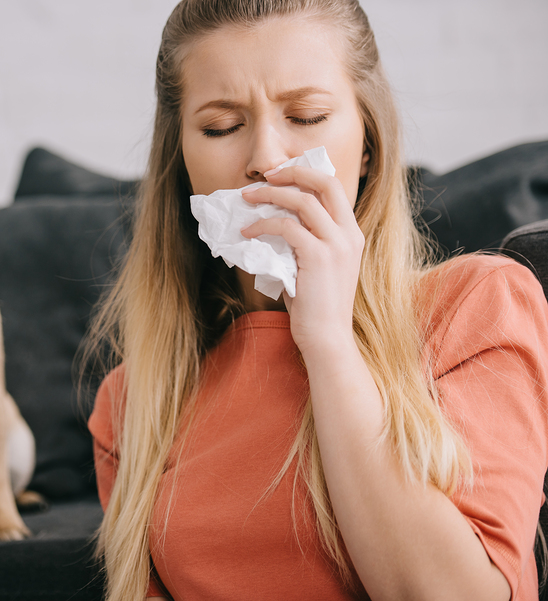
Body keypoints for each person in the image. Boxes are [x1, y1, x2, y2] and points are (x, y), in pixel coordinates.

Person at [84, 0, 548, 599]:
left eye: (306, 115)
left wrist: (328, 341)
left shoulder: (480, 307)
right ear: (180, 164)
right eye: (221, 127)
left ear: (367, 146)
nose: (265, 160)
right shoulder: (132, 403)